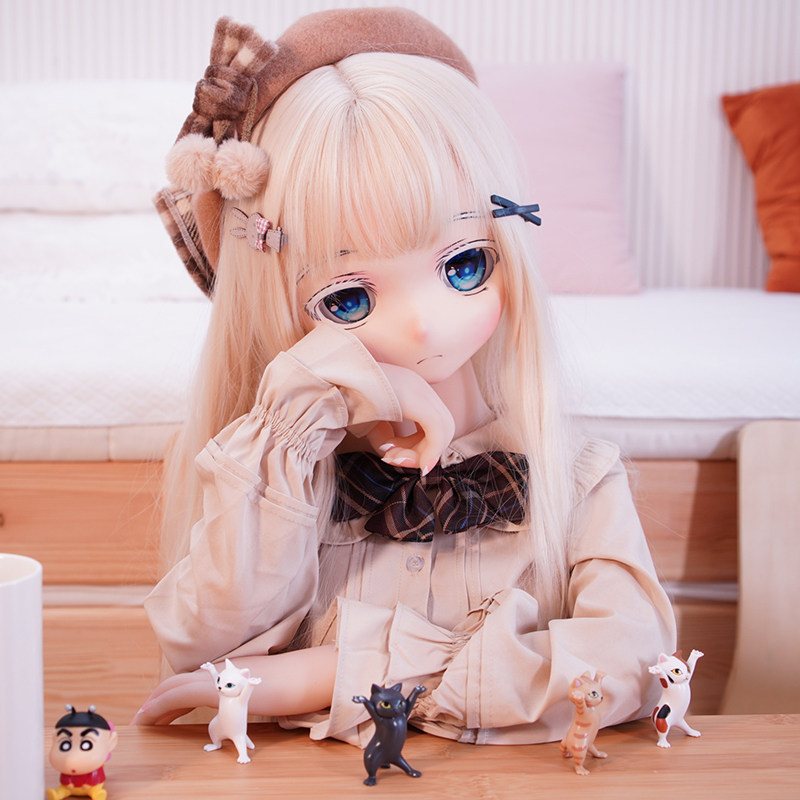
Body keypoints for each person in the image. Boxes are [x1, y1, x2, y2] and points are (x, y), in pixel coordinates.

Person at [136, 7, 676, 746]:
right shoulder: (279, 474)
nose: (423, 326)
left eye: (464, 264)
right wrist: (301, 406)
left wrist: (346, 671)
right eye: (346, 299)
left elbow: (635, 666)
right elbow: (209, 651)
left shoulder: (576, 480)